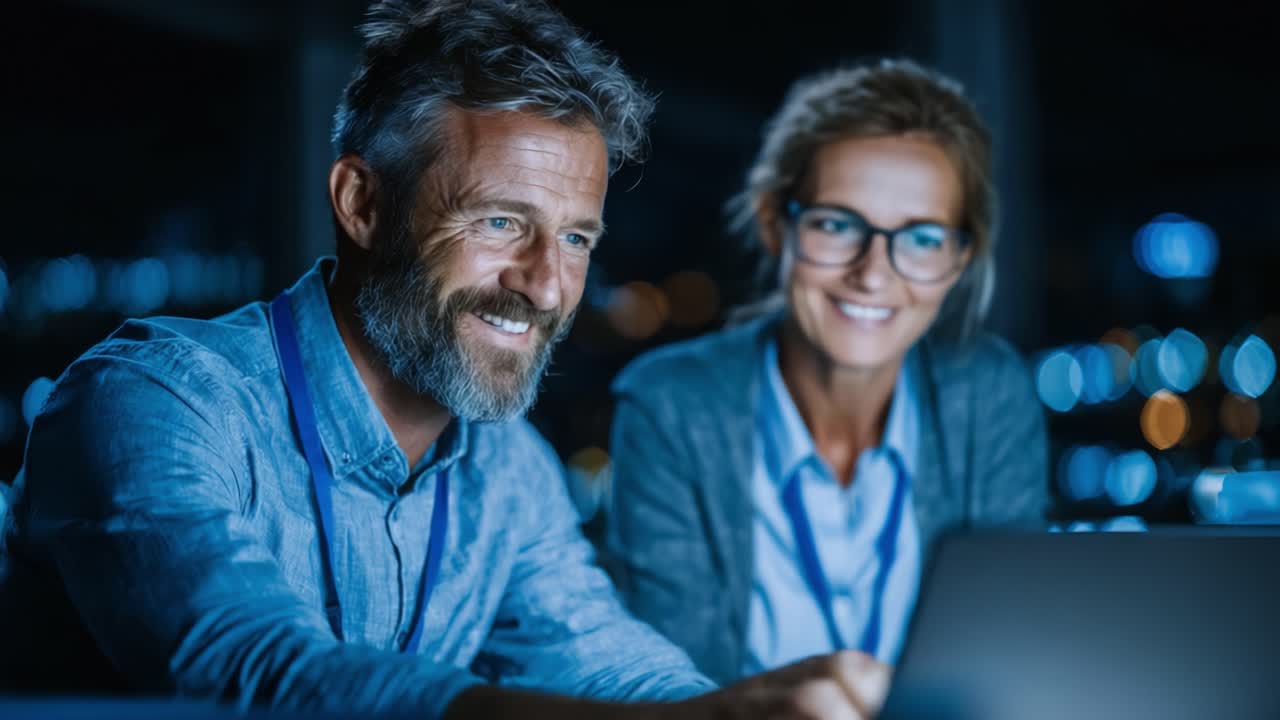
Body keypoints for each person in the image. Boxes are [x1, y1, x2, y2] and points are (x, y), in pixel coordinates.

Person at [0, 3, 891, 718]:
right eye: (501, 222)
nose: (546, 286)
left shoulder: (510, 469)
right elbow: (251, 672)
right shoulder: (156, 399)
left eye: (575, 237)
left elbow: (612, 669)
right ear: (362, 203)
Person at [603, 60, 1050, 686]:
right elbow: (672, 689)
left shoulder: (990, 394)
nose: (873, 273)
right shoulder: (670, 405)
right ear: (775, 226)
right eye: (838, 225)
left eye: (921, 238)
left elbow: (1009, 651)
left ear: (959, 260)